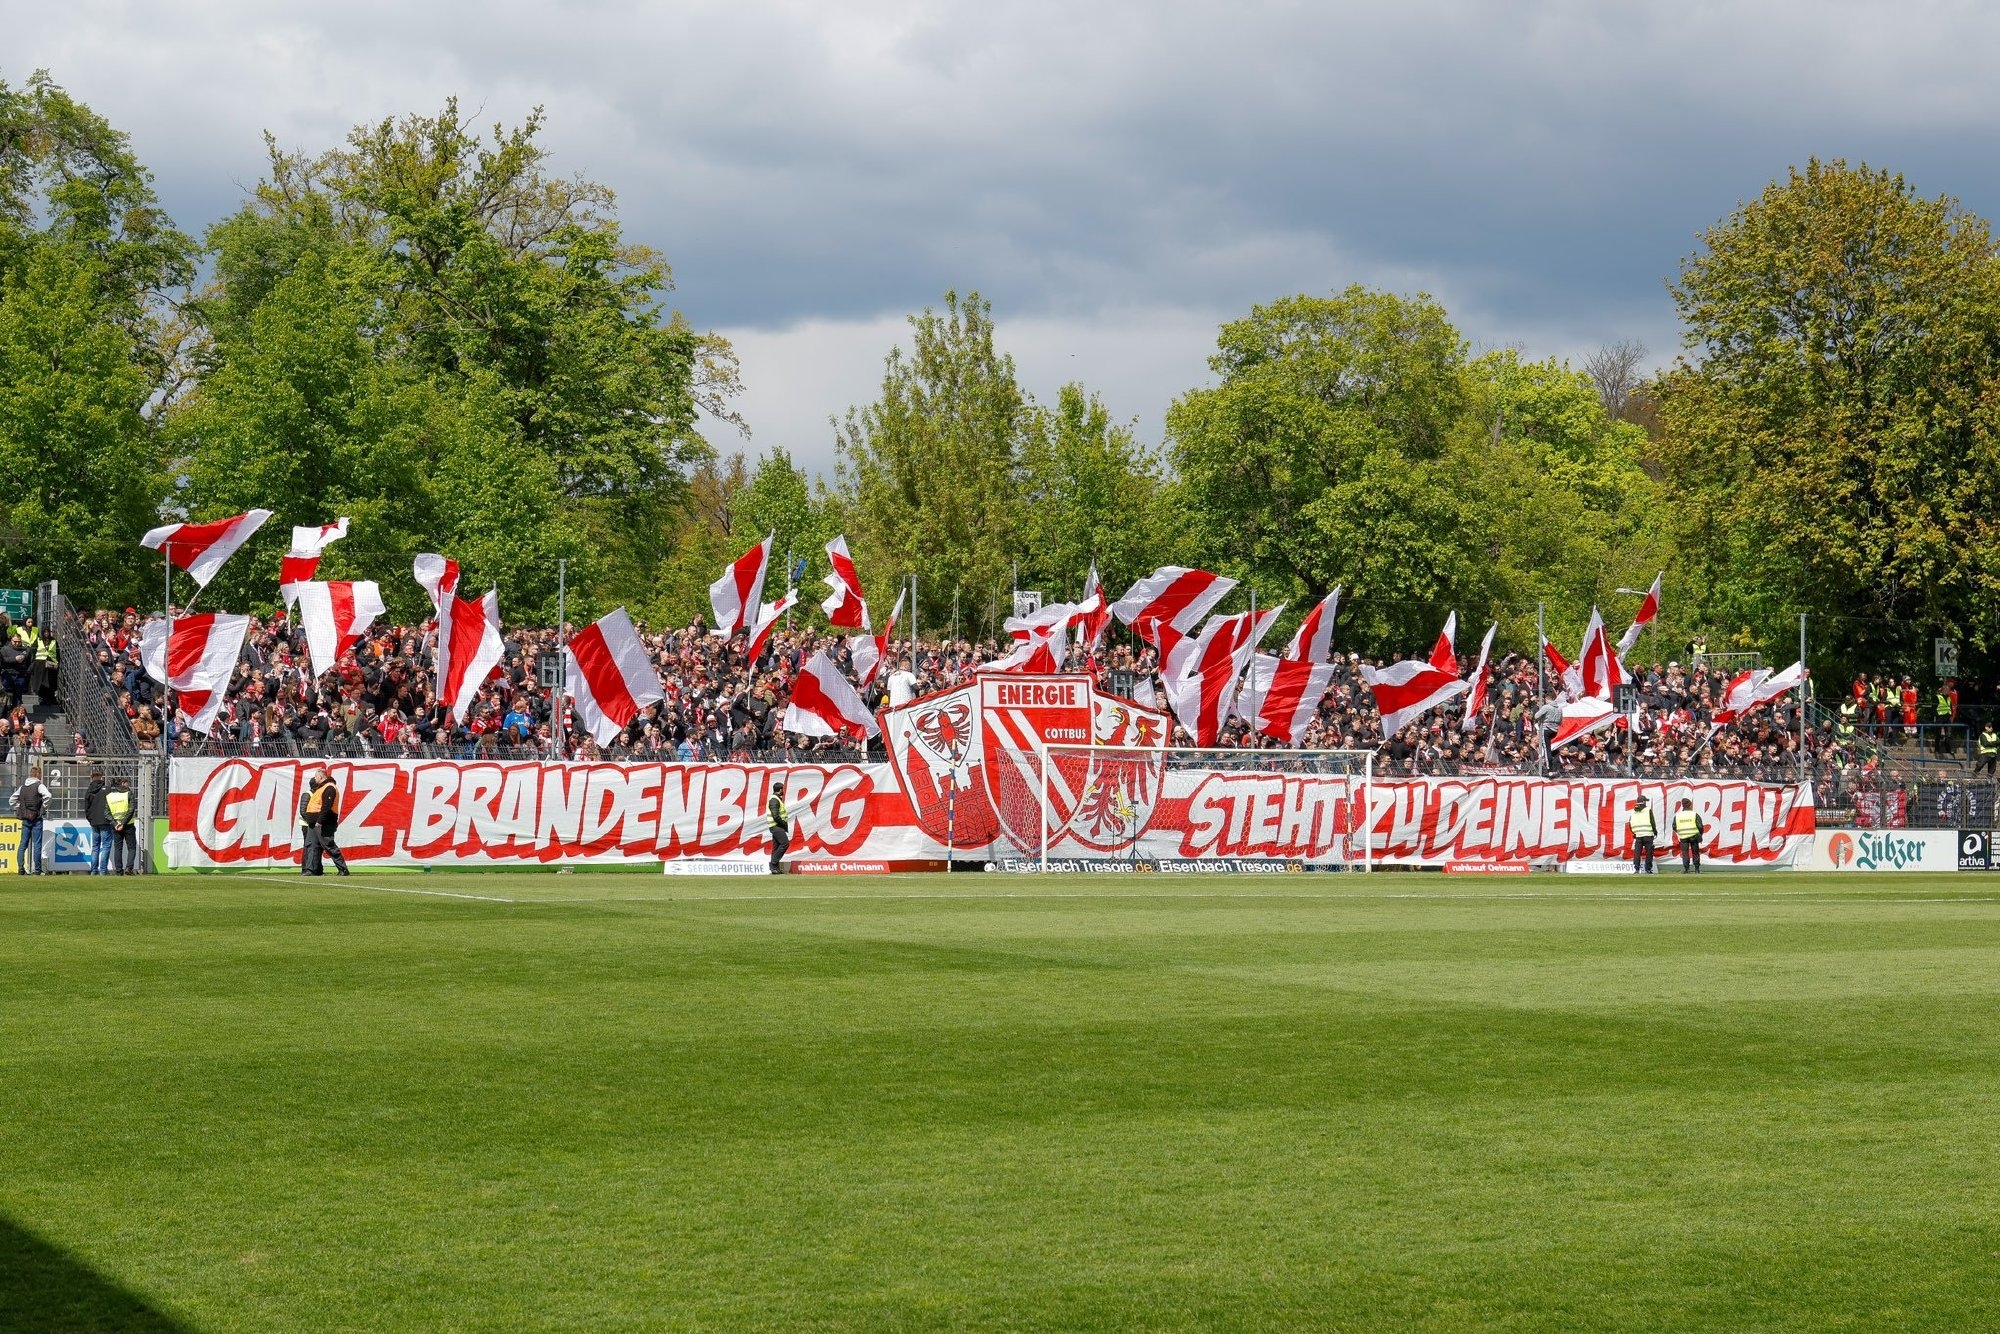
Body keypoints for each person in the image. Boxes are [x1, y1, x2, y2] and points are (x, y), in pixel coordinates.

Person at [12, 765, 51, 874]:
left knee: (23, 844)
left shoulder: (22, 787)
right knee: (37, 844)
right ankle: (37, 870)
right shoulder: (39, 785)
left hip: (25, 819)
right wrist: (44, 807)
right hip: (36, 818)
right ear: (38, 774)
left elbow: (12, 800)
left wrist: (19, 807)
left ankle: (20, 868)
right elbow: (48, 796)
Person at [312, 770, 350, 876]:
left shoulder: (329, 787)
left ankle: (343, 869)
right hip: (322, 821)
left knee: (329, 844)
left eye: (316, 776)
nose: (315, 779)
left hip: (326, 822)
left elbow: (326, 806)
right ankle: (317, 870)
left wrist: (320, 821)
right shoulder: (324, 787)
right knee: (319, 846)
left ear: (320, 777)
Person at [83, 769, 113, 875]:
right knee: (106, 845)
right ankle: (103, 870)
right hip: (105, 820)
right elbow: (111, 804)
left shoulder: (89, 790)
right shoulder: (107, 789)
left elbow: (86, 807)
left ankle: (94, 870)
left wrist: (90, 819)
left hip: (94, 821)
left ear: (92, 778)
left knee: (95, 846)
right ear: (102, 777)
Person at [107, 776, 138, 874]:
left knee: (118, 848)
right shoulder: (128, 794)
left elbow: (106, 813)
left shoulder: (110, 796)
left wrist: (115, 823)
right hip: (128, 824)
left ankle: (119, 870)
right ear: (123, 783)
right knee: (132, 847)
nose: (128, 785)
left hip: (115, 826)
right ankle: (129, 868)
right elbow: (131, 810)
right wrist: (123, 823)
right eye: (127, 783)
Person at [299, 766, 326, 875]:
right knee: (309, 846)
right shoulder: (308, 794)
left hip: (315, 824)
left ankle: (316, 869)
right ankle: (306, 868)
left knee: (317, 847)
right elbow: (303, 811)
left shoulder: (316, 795)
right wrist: (313, 822)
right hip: (308, 825)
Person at [1673, 797, 1705, 875]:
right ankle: (1697, 869)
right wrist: (1700, 834)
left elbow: (1674, 826)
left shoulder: (1677, 815)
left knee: (1685, 853)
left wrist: (1680, 832)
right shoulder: (1694, 814)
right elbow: (1700, 826)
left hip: (1683, 837)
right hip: (1694, 836)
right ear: (1690, 805)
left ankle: (1686, 869)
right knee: (1695, 853)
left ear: (1683, 806)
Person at [1628, 795, 1657, 875]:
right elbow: (1652, 822)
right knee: (1649, 853)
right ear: (1644, 802)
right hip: (1648, 835)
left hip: (1638, 836)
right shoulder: (1648, 810)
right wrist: (1655, 832)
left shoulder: (1633, 812)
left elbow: (1630, 824)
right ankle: (1648, 869)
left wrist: (1635, 833)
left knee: (1637, 853)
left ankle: (1636, 869)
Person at [768, 780, 790, 875]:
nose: (783, 791)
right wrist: (783, 823)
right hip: (776, 826)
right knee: (785, 843)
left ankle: (774, 868)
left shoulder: (776, 799)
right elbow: (775, 815)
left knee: (776, 846)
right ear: (780, 790)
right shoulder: (774, 800)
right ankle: (773, 863)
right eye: (783, 789)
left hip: (776, 826)